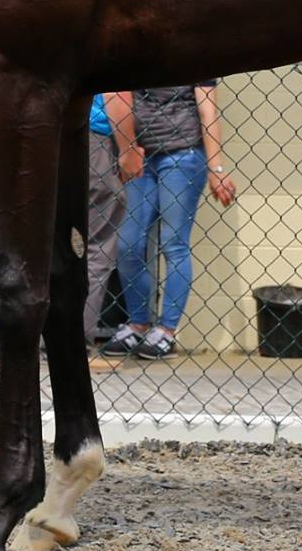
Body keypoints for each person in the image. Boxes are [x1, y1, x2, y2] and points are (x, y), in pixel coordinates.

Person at [97, 82, 240, 359]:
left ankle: (166, 331)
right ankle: (138, 324)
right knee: (127, 244)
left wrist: (217, 168)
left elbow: (207, 110)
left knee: (174, 243)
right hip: (140, 154)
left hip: (183, 153)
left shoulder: (197, 50)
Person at [82, 91, 140, 345]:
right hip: (95, 138)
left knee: (55, 242)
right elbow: (116, 93)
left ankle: (41, 336)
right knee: (98, 245)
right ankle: (72, 340)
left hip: (48, 133)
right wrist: (128, 149)